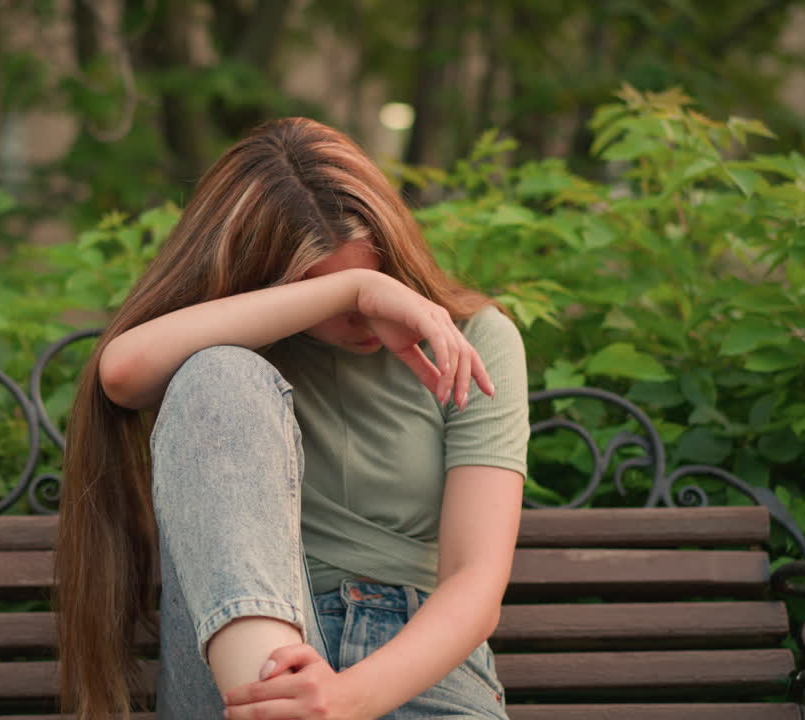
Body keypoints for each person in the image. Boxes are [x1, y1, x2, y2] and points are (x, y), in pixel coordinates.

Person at [58, 117, 528, 720]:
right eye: (318, 289)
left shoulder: (474, 340)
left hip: (415, 669)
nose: (361, 319)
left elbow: (475, 581)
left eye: (376, 272)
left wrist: (341, 699)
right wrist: (353, 289)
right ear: (268, 279)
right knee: (216, 372)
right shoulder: (239, 344)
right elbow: (120, 372)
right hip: (241, 673)